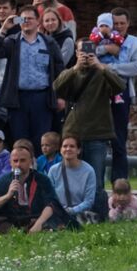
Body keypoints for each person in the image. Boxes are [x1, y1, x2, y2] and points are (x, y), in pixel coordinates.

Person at [0, 4, 65, 152]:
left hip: (42, 98)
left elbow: (60, 70)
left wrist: (60, 96)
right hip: (18, 99)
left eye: (30, 18)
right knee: (20, 141)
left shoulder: (49, 43)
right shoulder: (12, 41)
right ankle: (21, 173)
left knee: (42, 141)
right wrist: (4, 28)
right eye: (23, 18)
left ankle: (39, 173)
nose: (26, 21)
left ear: (38, 21)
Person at [53, 42, 125, 197]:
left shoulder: (102, 73)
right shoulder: (71, 73)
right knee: (72, 177)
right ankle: (73, 210)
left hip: (97, 133)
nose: (85, 56)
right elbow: (56, 87)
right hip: (73, 132)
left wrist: (101, 67)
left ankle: (97, 213)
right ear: (76, 52)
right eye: (82, 52)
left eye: (89, 52)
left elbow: (120, 87)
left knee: (96, 178)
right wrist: (75, 68)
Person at [0, 139, 65, 235]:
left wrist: (39, 224)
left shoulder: (42, 179)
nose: (18, 164)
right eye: (15, 161)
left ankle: (34, 228)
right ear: (10, 162)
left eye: (22, 160)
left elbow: (52, 203)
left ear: (30, 161)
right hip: (11, 218)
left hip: (35, 216)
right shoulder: (5, 179)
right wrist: (7, 196)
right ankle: (14, 230)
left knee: (54, 219)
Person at [96, 8, 137, 183]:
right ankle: (97, 182)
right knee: (98, 140)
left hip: (121, 90)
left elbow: (136, 67)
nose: (118, 27)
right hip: (99, 91)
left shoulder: (135, 43)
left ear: (128, 23)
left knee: (119, 138)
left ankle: (120, 182)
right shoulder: (99, 39)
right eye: (115, 24)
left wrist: (109, 68)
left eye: (122, 23)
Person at [49, 134, 105, 224]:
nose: (68, 149)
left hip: (80, 214)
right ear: (60, 150)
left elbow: (89, 201)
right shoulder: (53, 170)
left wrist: (71, 211)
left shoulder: (89, 171)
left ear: (78, 150)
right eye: (65, 146)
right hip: (57, 213)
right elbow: (50, 196)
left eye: (72, 146)